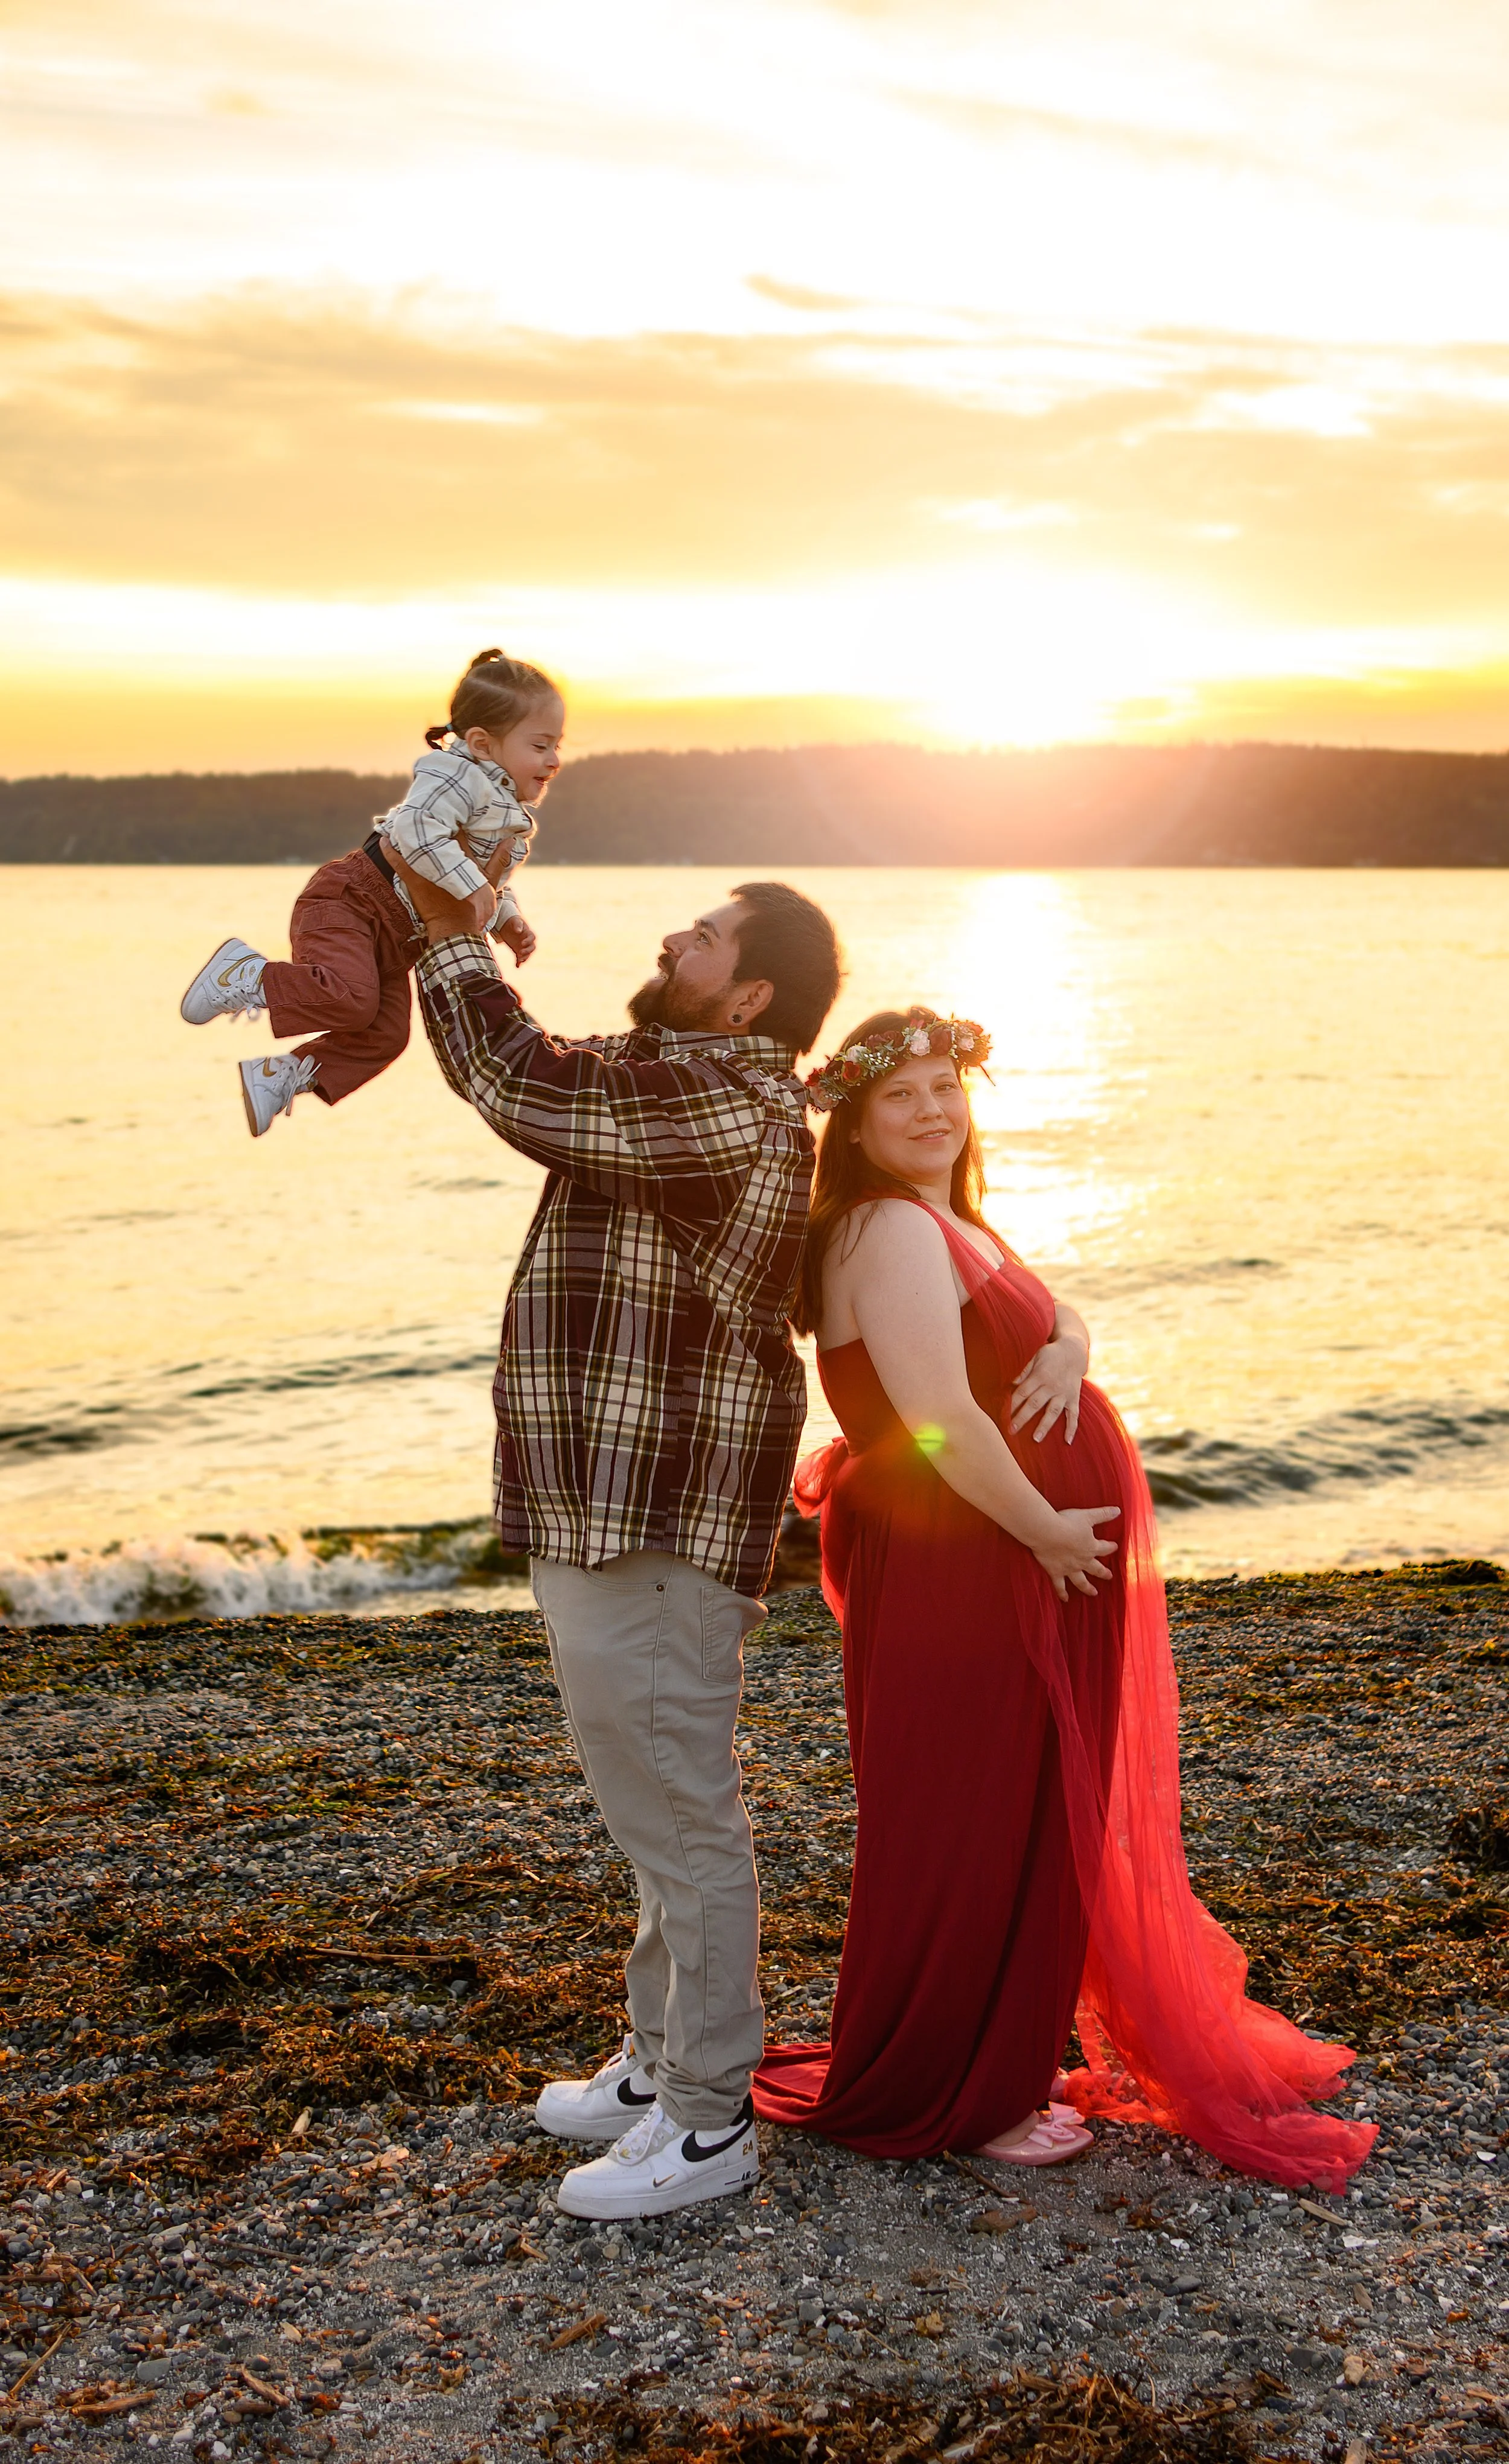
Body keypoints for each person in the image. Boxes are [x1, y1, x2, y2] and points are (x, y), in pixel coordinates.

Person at [753, 1007, 1377, 2190]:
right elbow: (936, 1417)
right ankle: (963, 2093)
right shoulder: (882, 1226)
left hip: (1002, 1552)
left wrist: (1067, 1348)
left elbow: (1038, 1310)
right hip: (970, 1556)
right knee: (973, 1810)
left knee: (1032, 1806)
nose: (933, 1109)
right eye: (902, 1096)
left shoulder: (936, 1217)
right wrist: (1043, 1528)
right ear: (855, 1118)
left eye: (946, 1085)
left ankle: (996, 2063)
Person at [398, 862, 843, 2221]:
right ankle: (661, 2067)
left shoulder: (722, 1102)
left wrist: (446, 931)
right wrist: (479, 936)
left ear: (751, 993)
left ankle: (708, 2122)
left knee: (680, 1816)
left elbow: (518, 1078)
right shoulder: (680, 1074)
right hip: (611, 1509)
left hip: (651, 1521)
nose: (672, 935)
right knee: (651, 1811)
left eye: (701, 935)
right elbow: (562, 1061)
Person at [178, 650, 561, 1134]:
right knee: (352, 1001)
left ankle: (284, 1073)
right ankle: (248, 975)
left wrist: (506, 918)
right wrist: (473, 889)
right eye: (541, 746)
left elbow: (486, 882)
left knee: (386, 1038)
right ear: (483, 744)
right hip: (353, 901)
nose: (554, 761)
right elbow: (420, 833)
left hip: (398, 941)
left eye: (557, 746)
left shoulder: (508, 815)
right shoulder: (451, 774)